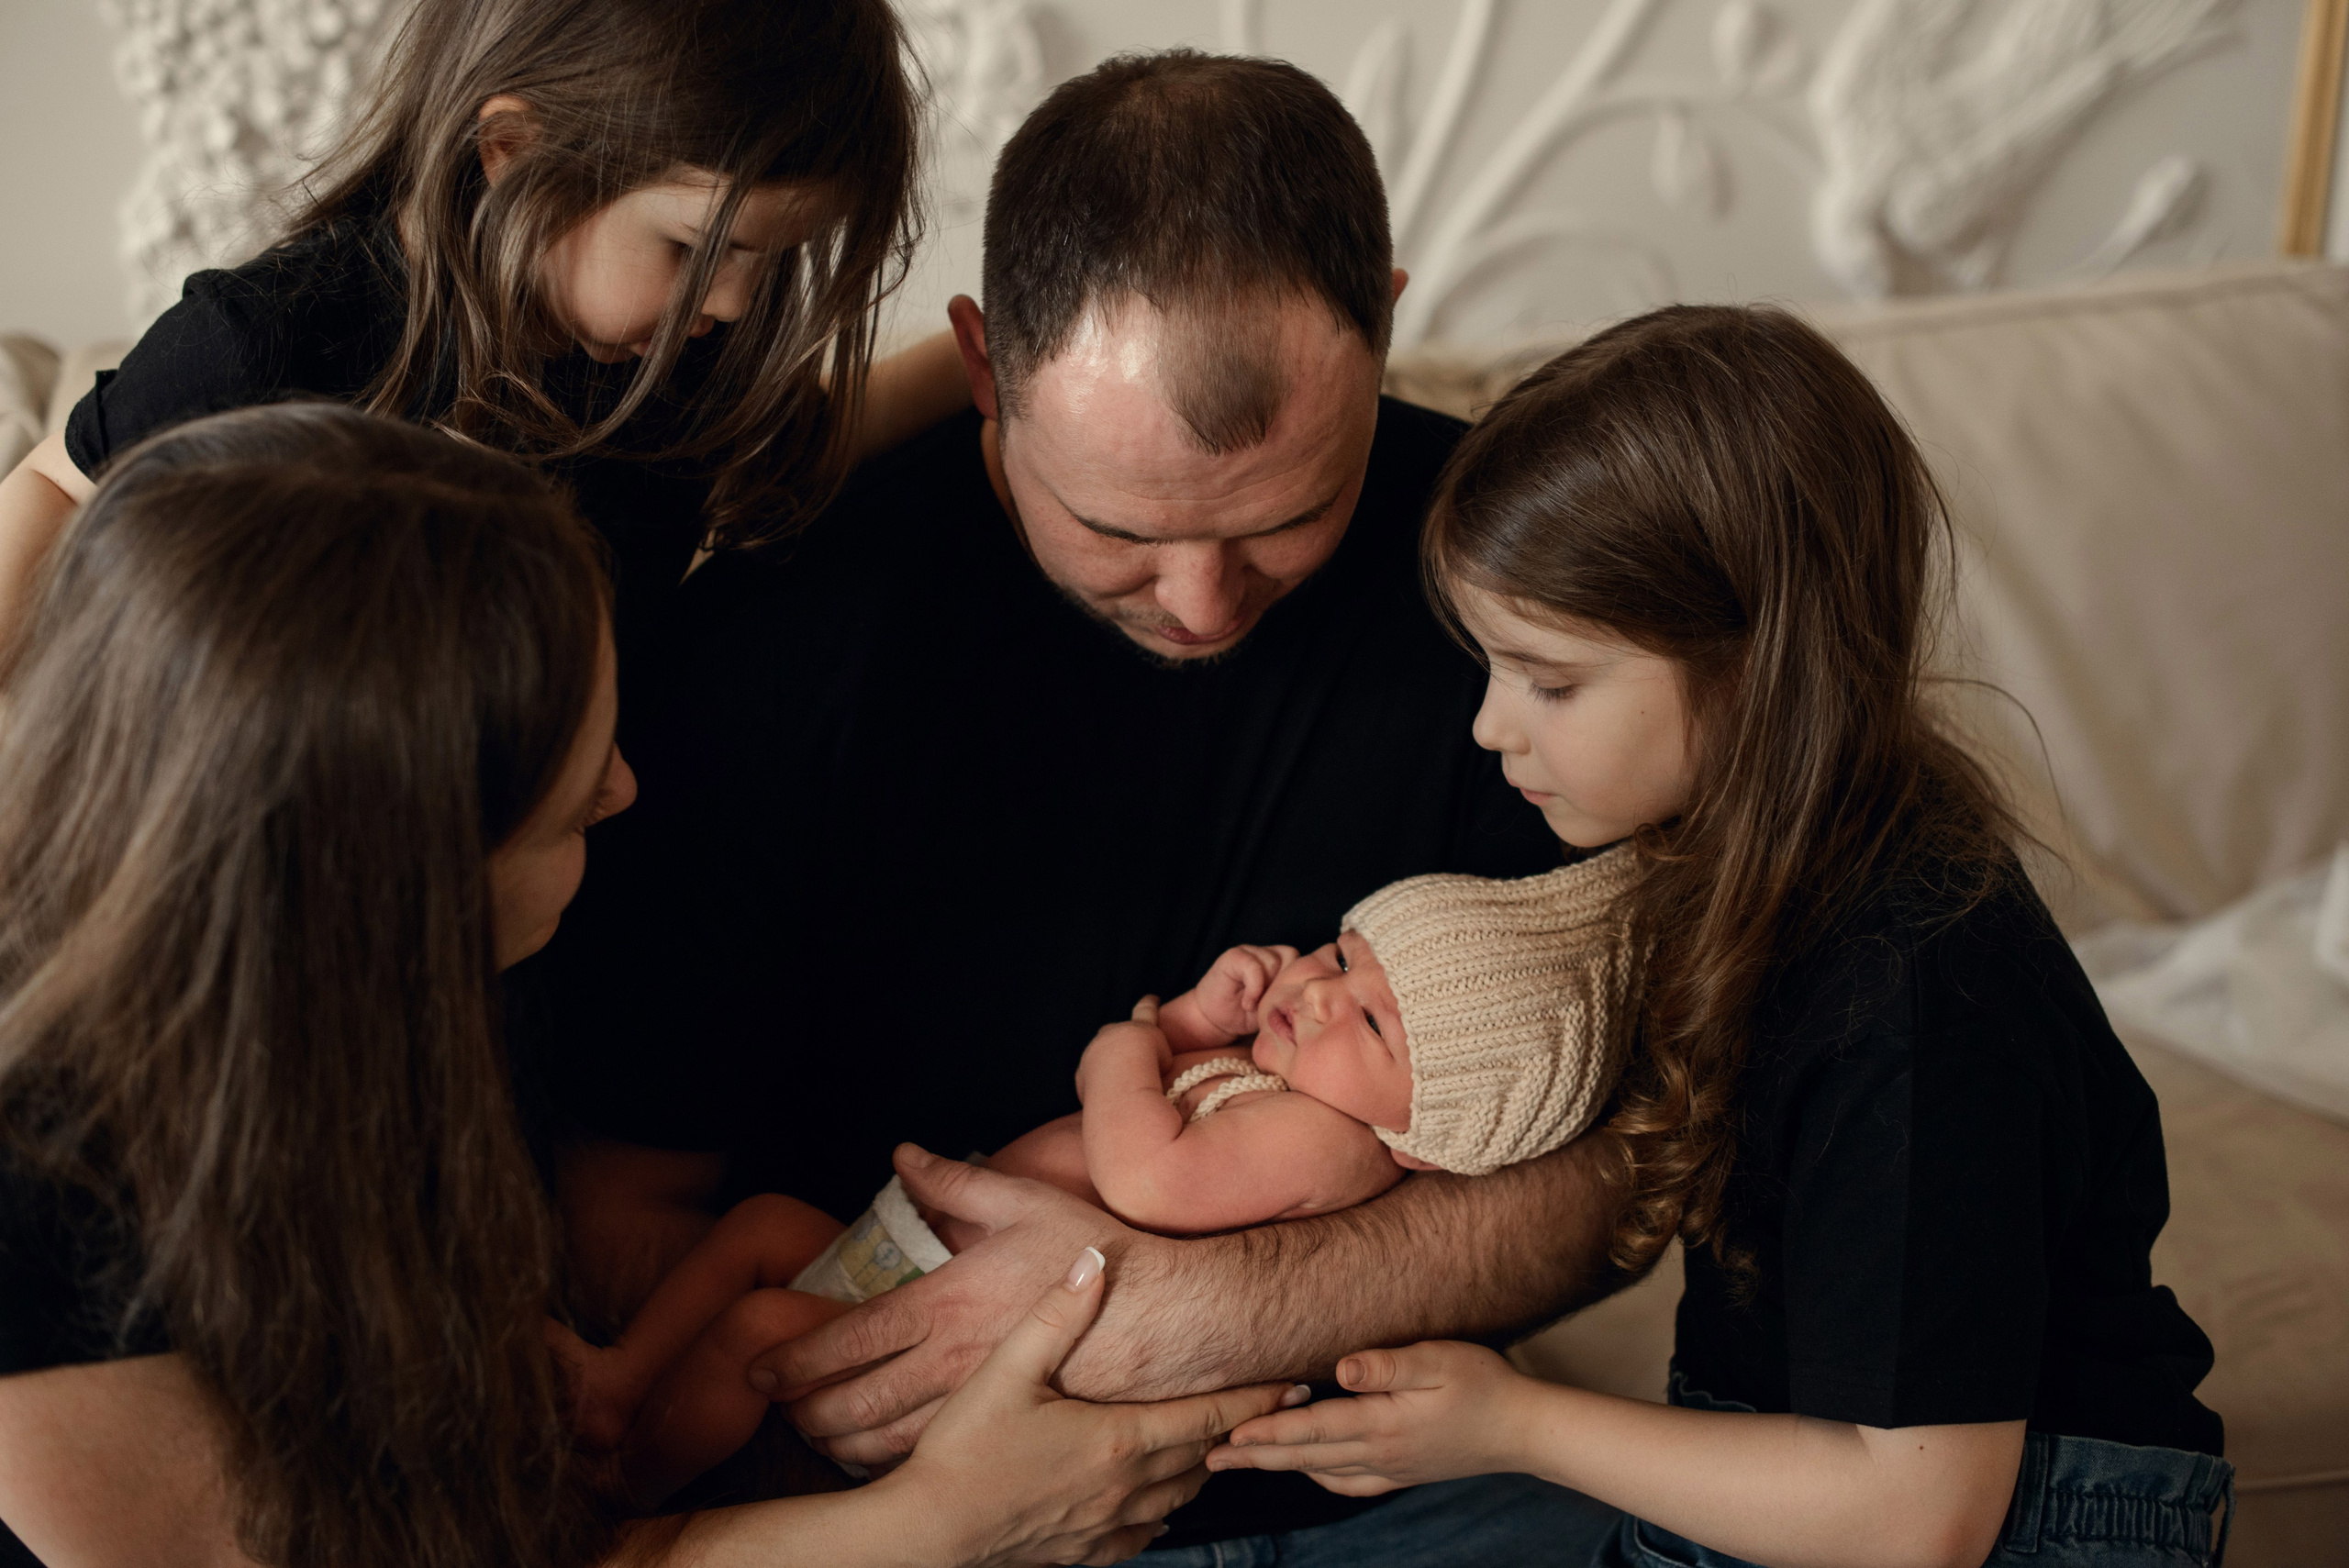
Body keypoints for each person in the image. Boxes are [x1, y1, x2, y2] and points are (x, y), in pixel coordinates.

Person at [528, 50, 1631, 1559]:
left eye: (1290, 516)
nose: (1202, 601)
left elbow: (1635, 1158)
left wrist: (1194, 1306)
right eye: (1117, 528)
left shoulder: (1528, 596)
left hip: (1366, 1478)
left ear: (1382, 324)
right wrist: (910, 1422)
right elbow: (621, 1203)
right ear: (983, 366)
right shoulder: (774, 638)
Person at [0, 404, 1296, 1568]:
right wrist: (933, 1529)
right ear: (401, 882)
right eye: (573, 801)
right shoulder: (49, 1233)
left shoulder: (338, 1033)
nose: (623, 788)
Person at [1208, 306, 2233, 1568]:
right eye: (1491, 666)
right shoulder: (1736, 878)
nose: (1489, 726)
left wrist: (1510, 1423)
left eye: (1551, 680)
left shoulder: (1911, 998)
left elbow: (1917, 1517)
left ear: (1756, 668)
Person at [556, 851, 1638, 1507]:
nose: (1319, 991)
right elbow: (1190, 1085)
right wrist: (1200, 1019)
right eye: (1345, 955)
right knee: (761, 1224)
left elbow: (1150, 1177)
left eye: (1368, 1022)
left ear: (1421, 1141)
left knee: (758, 1332)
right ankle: (619, 1378)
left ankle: (630, 1489)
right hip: (923, 1243)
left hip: (947, 1301)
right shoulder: (1292, 1082)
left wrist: (1122, 1045)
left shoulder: (1327, 1143)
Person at [0, 0, 965, 676]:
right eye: (695, 249)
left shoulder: (679, 363)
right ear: (515, 150)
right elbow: (59, 486)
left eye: (772, 260)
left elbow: (805, 440)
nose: (734, 304)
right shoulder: (277, 337)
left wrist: (981, 353)